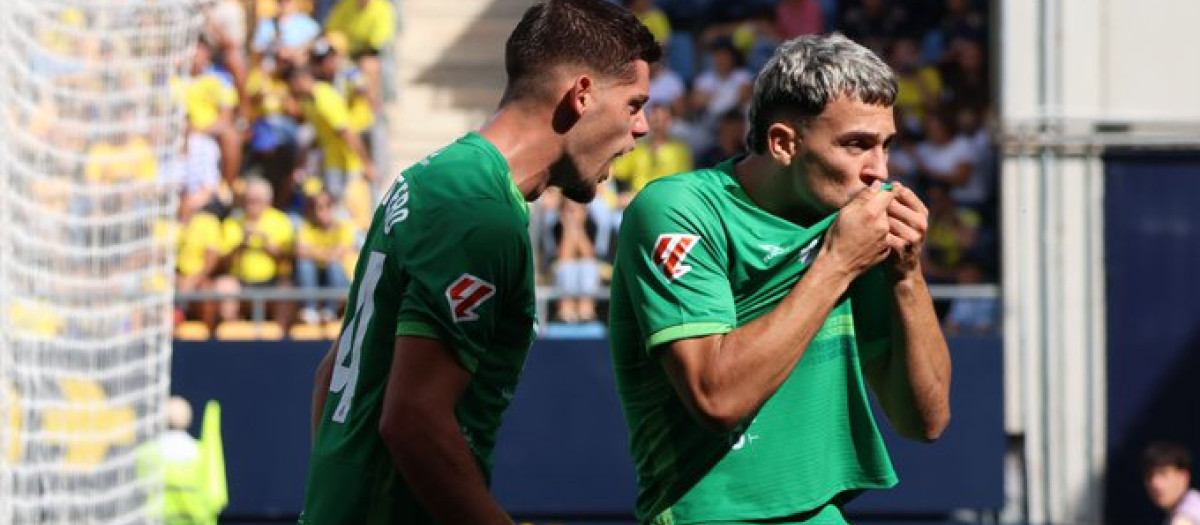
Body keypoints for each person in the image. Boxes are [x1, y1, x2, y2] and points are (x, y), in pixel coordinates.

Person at [300, 1, 660, 523]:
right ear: (582, 95)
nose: (643, 127)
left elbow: (329, 377)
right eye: (634, 104)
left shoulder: (433, 176)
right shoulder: (479, 213)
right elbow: (413, 421)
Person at [608, 33, 951, 524]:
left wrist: (906, 274)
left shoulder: (856, 224)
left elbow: (927, 421)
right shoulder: (681, 210)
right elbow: (717, 398)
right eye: (856, 145)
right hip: (706, 514)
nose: (879, 170)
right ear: (784, 143)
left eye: (886, 145)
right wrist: (837, 263)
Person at [1145, 442, 1200, 525]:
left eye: (1163, 474)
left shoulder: (1186, 518)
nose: (1155, 483)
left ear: (1184, 476)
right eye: (1149, 476)